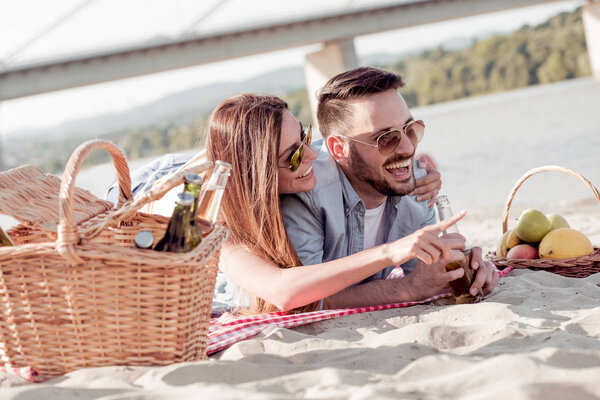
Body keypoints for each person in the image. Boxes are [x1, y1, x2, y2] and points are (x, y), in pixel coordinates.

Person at [107, 92, 459, 314]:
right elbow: (281, 291)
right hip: (147, 194)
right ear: (257, 174)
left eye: (304, 136)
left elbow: (345, 155)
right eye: (292, 156)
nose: (312, 154)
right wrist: (391, 252)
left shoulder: (298, 173)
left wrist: (412, 170)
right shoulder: (205, 215)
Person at [279, 67, 499, 309]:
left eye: (410, 129)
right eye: (385, 138)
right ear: (339, 149)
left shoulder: (417, 183)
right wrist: (407, 289)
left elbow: (422, 273)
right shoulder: (305, 191)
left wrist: (463, 270)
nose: (406, 148)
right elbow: (307, 298)